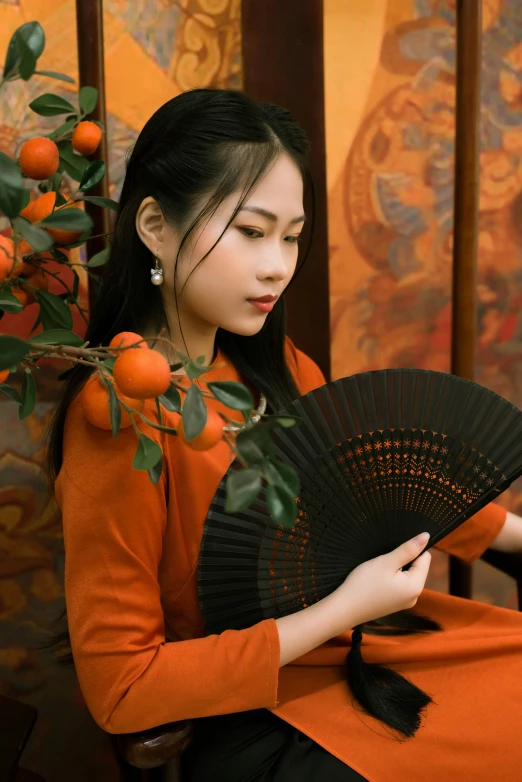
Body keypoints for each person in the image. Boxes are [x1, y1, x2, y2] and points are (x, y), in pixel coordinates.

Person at [46, 89, 522, 782]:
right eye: (251, 230)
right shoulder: (122, 413)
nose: (277, 265)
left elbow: (373, 481)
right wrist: (342, 609)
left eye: (291, 236)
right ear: (154, 224)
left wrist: (510, 534)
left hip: (354, 650)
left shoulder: (268, 366)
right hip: (258, 711)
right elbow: (122, 689)